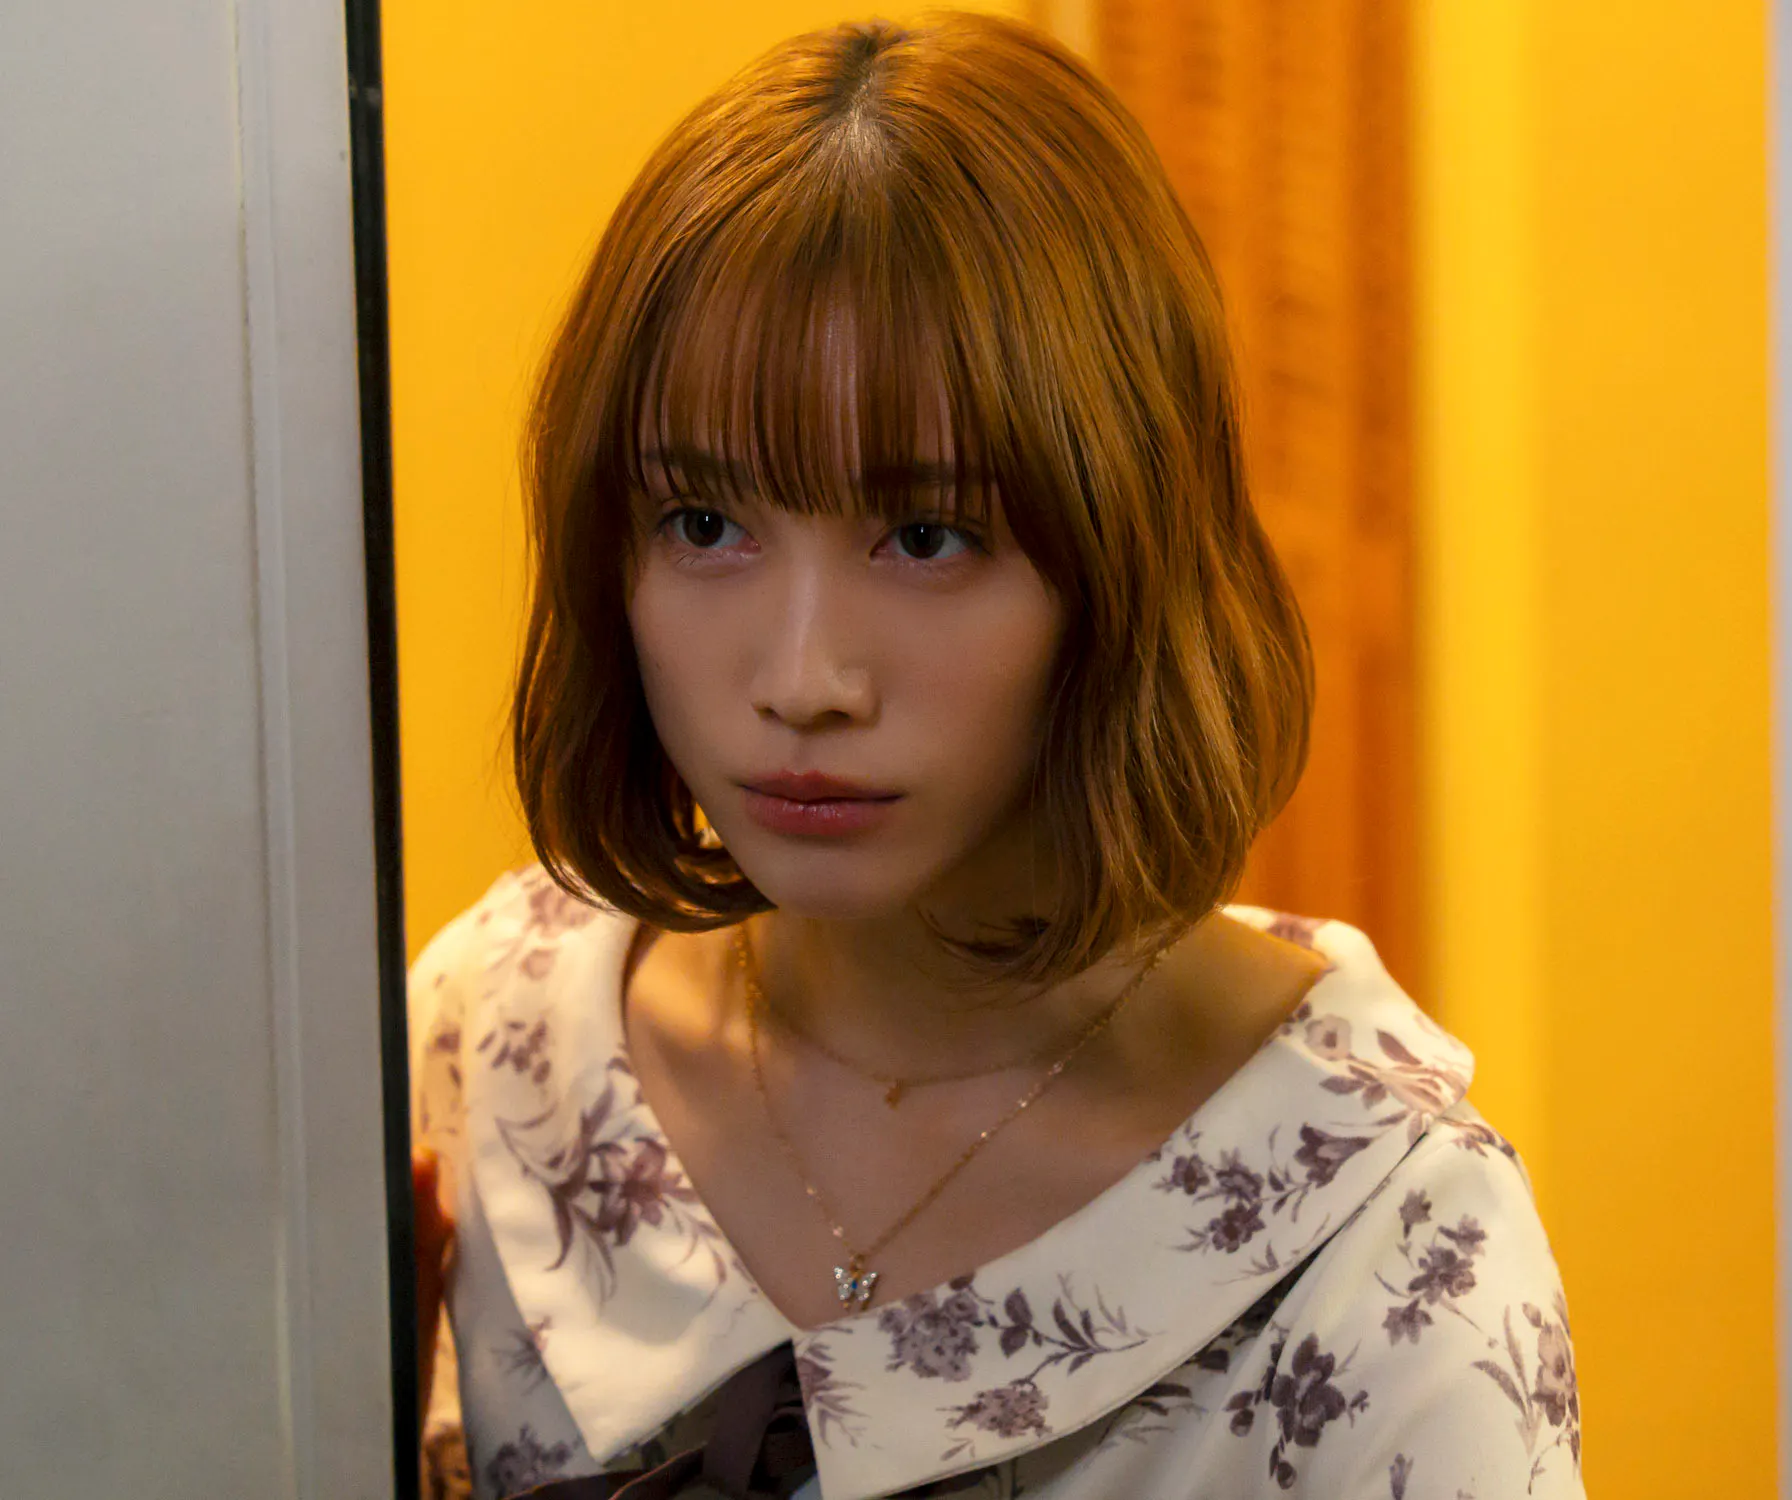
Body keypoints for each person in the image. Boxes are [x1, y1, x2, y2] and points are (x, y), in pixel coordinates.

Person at [409, 13, 1582, 1499]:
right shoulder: (493, 1043)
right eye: (704, 524)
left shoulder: (1382, 1240)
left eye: (926, 536)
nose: (804, 680)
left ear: (1122, 555)